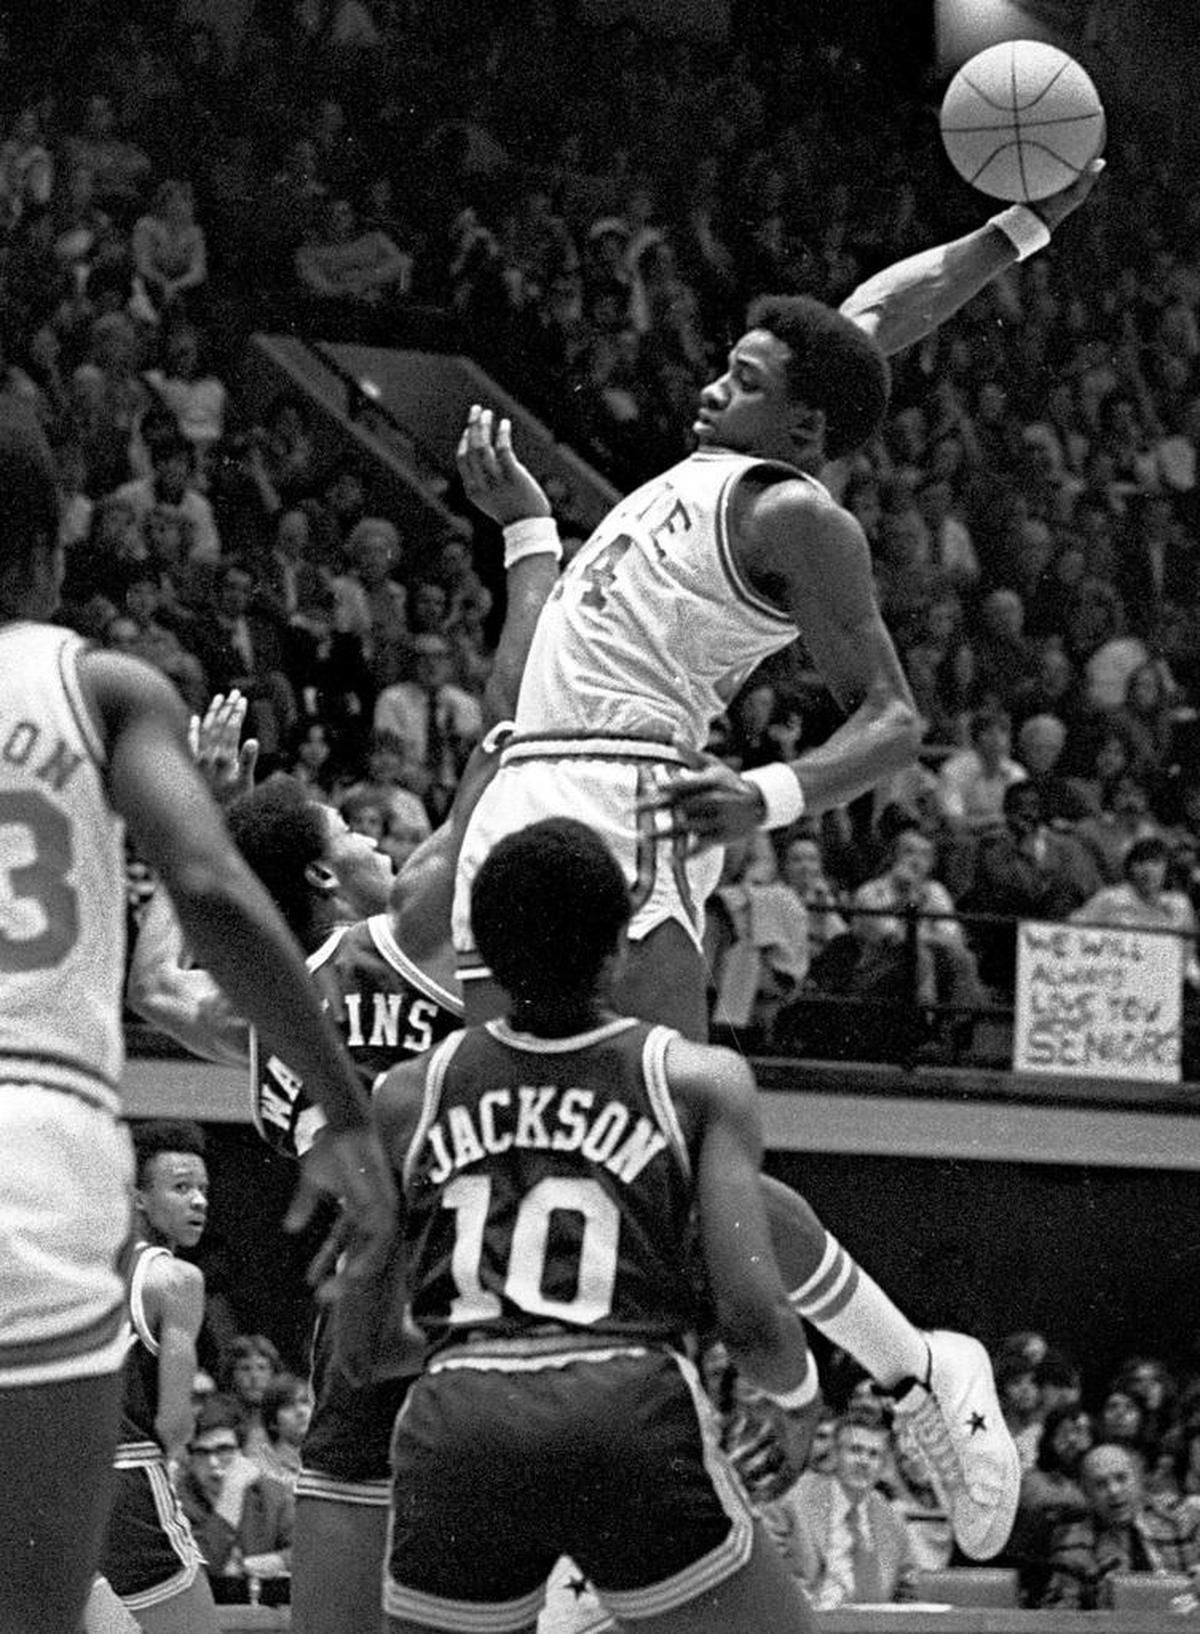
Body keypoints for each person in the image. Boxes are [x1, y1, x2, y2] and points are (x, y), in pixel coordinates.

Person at [0, 398, 390, 1634]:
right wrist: (343, 1106)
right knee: (45, 1602)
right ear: (54, 553)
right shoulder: (99, 683)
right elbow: (212, 895)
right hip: (35, 1137)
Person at [370, 815, 822, 1634]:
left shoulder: (406, 1095)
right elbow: (751, 1311)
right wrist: (794, 1397)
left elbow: (366, 1348)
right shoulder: (698, 1079)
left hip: (459, 1419)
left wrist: (485, 1345)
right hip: (627, 1405)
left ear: (486, 951)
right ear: (620, 945)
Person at [97, 1120, 219, 1634]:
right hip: (129, 1483)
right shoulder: (175, 1280)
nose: (199, 1202)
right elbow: (174, 1423)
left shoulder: (76, 1267)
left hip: (50, 1485)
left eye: (203, 1190)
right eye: (181, 1187)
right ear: (140, 1198)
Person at [761, 1409, 918, 1608]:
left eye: (874, 1454)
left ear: (883, 1465)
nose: (864, 1461)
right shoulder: (795, 1499)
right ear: (835, 1453)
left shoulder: (891, 1518)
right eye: (855, 1450)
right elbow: (768, 1566)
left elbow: (907, 1590)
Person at [1040, 1441, 1200, 1609]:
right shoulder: (1073, 1544)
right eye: (1100, 1484)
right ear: (1086, 1494)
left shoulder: (1177, 1515)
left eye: (1121, 1478)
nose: (1114, 1491)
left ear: (1138, 1479)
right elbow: (1058, 1617)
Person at [178, 1394, 295, 1592]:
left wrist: (278, 1561)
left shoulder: (271, 1494)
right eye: (202, 1452)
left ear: (242, 1452)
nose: (213, 1463)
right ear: (190, 1458)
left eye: (224, 1450)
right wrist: (230, 1496)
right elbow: (201, 1566)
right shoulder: (176, 1502)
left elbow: (311, 1549)